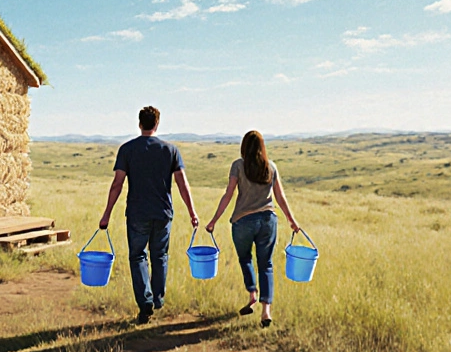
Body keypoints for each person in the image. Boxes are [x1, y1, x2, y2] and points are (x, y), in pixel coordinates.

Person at [99, 106, 199, 324]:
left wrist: (106, 213)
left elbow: (117, 184)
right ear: (157, 124)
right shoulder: (170, 150)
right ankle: (158, 299)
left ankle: (145, 304)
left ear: (139, 123)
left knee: (137, 257)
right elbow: (183, 184)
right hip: (163, 213)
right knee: (159, 256)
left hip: (137, 213)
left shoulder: (127, 149)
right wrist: (192, 212)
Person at [205, 130, 301, 328]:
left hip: (243, 221)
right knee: (266, 264)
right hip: (268, 220)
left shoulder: (238, 166)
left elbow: (228, 194)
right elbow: (280, 197)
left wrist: (214, 219)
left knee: (245, 258)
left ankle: (252, 294)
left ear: (244, 147)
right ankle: (266, 311)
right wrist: (291, 220)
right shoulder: (271, 167)